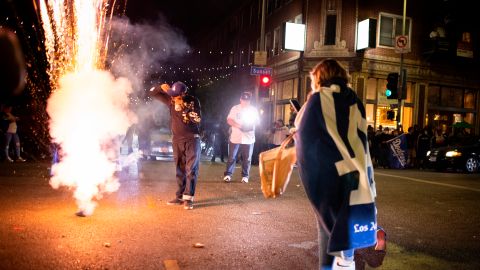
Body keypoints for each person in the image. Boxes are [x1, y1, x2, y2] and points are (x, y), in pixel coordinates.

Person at [294, 59, 377, 270]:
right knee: (347, 220)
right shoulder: (355, 100)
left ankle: (330, 266)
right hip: (357, 171)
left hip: (331, 173)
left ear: (319, 77)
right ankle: (345, 261)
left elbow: (302, 131)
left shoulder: (318, 99)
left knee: (326, 222)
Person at [150, 81, 202, 210]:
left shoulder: (193, 101)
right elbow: (152, 93)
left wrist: (184, 107)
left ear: (184, 94)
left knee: (191, 170)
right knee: (180, 169)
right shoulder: (171, 100)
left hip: (192, 140)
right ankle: (179, 196)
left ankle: (188, 198)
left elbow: (197, 119)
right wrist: (161, 88)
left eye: (176, 95)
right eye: (172, 95)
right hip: (177, 140)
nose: (173, 98)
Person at [223, 91, 260, 183]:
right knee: (232, 157)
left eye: (247, 101)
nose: (245, 102)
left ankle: (245, 176)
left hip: (248, 138)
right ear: (240, 99)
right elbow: (229, 120)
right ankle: (228, 174)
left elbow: (258, 122)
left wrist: (251, 125)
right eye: (243, 100)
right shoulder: (235, 108)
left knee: (247, 158)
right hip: (236, 137)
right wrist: (239, 126)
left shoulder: (253, 110)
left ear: (249, 101)